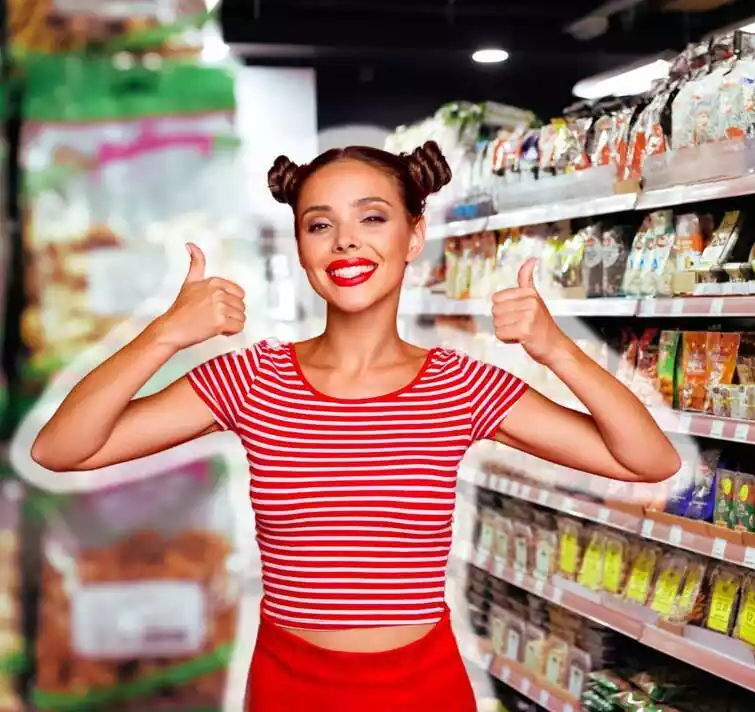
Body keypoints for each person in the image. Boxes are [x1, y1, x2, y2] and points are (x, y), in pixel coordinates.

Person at [30, 142, 681, 711]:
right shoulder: (252, 381)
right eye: (320, 224)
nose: (345, 241)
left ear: (414, 235)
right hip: (289, 688)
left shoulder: (461, 386)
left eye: (373, 217)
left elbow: (649, 460)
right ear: (301, 246)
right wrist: (166, 333)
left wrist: (556, 348)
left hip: (422, 689)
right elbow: (62, 448)